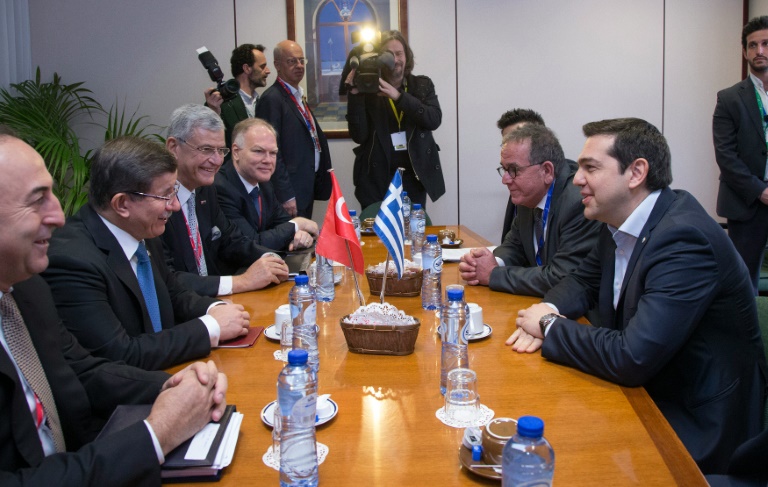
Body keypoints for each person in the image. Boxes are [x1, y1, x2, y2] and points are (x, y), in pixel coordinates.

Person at [509, 118, 768, 475]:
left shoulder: (684, 240)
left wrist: (549, 326)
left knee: (566, 460)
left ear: (636, 173)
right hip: (646, 391)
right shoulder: (618, 222)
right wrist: (548, 306)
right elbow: (582, 281)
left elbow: (632, 355)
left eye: (590, 167)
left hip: (695, 423)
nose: (578, 178)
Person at [0, 134, 229, 485]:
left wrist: (175, 386)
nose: (59, 215)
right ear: (123, 204)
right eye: (37, 201)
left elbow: (83, 371)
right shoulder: (66, 259)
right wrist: (157, 434)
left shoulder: (26, 287)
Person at [44, 136, 251, 370]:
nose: (174, 205)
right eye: (165, 195)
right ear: (122, 204)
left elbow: (174, 293)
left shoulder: (141, 227)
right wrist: (210, 328)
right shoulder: (72, 261)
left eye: (175, 191)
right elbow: (122, 354)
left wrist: (215, 309)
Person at [458, 124, 600, 298]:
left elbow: (562, 277)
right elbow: (515, 245)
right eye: (504, 169)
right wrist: (488, 262)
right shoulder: (528, 196)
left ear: (547, 171)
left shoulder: (577, 203)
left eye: (513, 170)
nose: (505, 180)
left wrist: (493, 274)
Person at [162, 104, 290, 296]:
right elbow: (168, 278)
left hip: (216, 305)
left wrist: (270, 259)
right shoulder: (155, 200)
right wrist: (241, 282)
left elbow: (230, 239)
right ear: (174, 147)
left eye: (220, 150)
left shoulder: (205, 190)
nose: (216, 160)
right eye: (206, 149)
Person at [345, 30, 444, 210]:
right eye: (389, 54)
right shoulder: (369, 89)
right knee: (376, 235)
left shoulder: (421, 85)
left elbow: (434, 120)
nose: (395, 59)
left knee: (412, 232)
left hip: (414, 177)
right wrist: (355, 97)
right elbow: (359, 135)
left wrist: (399, 97)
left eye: (399, 53)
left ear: (407, 56)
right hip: (376, 179)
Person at [713, 15, 768, 294]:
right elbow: (725, 155)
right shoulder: (730, 98)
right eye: (752, 45)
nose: (759, 50)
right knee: (744, 281)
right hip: (747, 204)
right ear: (745, 51)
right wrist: (760, 191)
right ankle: (749, 336)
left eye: (765, 43)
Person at [214, 118, 318, 251]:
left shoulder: (264, 184)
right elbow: (251, 243)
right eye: (258, 151)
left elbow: (283, 224)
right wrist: (298, 224)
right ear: (236, 152)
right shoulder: (221, 187)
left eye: (273, 153)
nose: (268, 160)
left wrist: (299, 235)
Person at [256, 40, 332, 218]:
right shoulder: (272, 99)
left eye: (301, 60)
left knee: (305, 240)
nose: (299, 65)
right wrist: (285, 194)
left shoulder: (298, 96)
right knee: (292, 242)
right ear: (277, 65)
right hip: (289, 191)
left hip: (306, 186)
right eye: (292, 61)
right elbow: (272, 152)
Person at [205, 43, 271, 150]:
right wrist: (213, 111)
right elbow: (211, 142)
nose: (268, 71)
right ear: (247, 68)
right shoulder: (219, 102)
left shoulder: (263, 101)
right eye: (262, 66)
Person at [496, 108, 547, 242]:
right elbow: (513, 245)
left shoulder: (571, 196)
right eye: (506, 141)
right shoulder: (519, 182)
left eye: (518, 139)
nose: (505, 180)